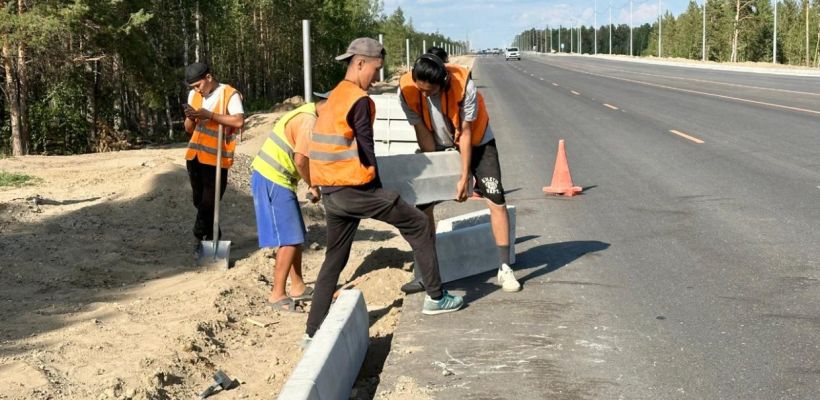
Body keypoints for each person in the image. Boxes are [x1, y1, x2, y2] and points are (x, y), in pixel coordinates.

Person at [304, 37, 464, 345]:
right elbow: (367, 150)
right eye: (376, 69)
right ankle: (436, 296)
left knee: (335, 257)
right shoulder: (359, 100)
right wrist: (381, 191)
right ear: (360, 62)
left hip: (331, 192)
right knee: (418, 223)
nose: (376, 77)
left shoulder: (336, 95)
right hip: (355, 189)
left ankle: (311, 332)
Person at [398, 50, 522, 293]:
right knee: (423, 206)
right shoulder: (405, 90)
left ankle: (505, 268)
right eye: (420, 89)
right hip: (437, 143)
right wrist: (433, 166)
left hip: (477, 143)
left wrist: (464, 176)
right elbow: (421, 130)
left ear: (442, 83)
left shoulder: (465, 87)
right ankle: (427, 273)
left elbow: (465, 133)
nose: (424, 95)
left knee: (496, 198)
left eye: (429, 91)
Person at [250, 92, 329, 311]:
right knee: (290, 238)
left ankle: (298, 286)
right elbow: (301, 160)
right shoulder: (309, 122)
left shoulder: (308, 112)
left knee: (296, 235)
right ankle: (277, 294)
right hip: (272, 177)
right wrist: (313, 184)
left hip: (277, 178)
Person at [183, 62, 244, 248]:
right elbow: (188, 129)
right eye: (193, 87)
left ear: (208, 78)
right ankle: (213, 235)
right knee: (199, 201)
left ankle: (198, 234)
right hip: (194, 156)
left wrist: (210, 115)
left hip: (217, 157)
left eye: (198, 85)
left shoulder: (229, 94)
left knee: (210, 201)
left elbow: (239, 120)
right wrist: (191, 117)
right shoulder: (194, 95)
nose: (197, 90)